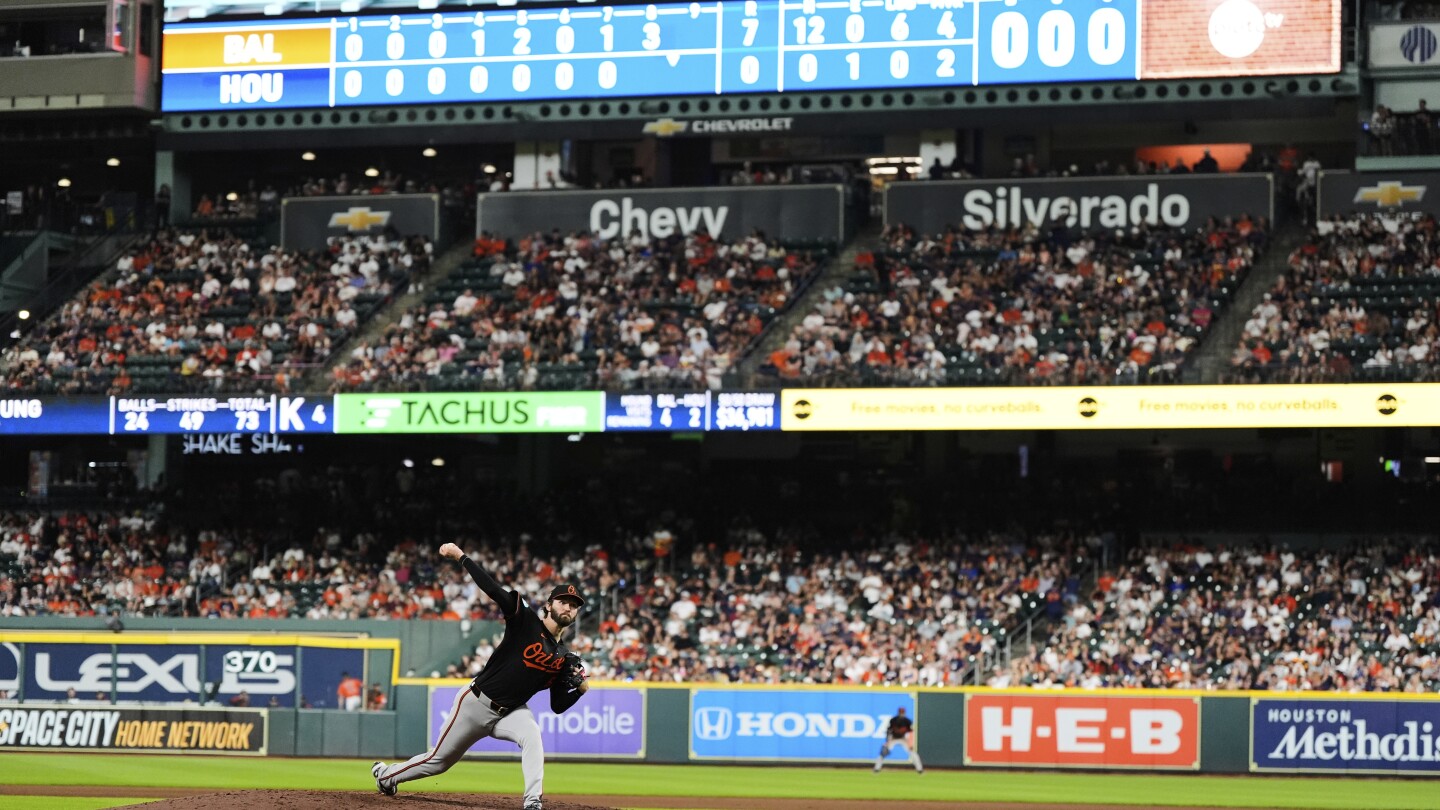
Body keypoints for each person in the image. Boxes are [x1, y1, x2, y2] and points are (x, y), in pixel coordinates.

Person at [371, 542, 589, 810]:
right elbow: (494, 590)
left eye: (573, 605)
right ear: (549, 604)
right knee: (438, 762)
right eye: (563, 601)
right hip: (476, 703)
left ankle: (533, 803)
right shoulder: (525, 620)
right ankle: (386, 776)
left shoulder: (563, 657)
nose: (568, 607)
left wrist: (579, 691)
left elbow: (557, 706)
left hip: (510, 712)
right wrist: (461, 557)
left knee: (533, 736)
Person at [873, 707, 923, 774]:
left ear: (904, 713)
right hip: (893, 738)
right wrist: (887, 741)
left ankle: (920, 770)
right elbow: (889, 731)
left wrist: (910, 743)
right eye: (901, 712)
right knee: (883, 752)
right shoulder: (893, 720)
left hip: (903, 738)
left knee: (913, 753)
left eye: (902, 712)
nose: (901, 713)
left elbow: (911, 732)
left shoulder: (907, 721)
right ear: (899, 712)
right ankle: (877, 769)